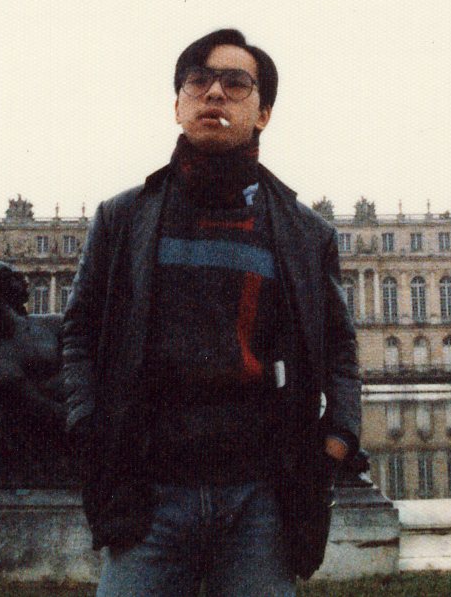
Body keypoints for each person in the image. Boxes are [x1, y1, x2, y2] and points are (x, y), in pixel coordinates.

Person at [62, 29, 361, 596]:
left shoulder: (305, 232)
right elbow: (78, 333)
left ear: (263, 113)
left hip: (261, 495)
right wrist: (87, 424)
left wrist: (340, 436)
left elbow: (339, 349)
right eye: (197, 81)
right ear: (177, 106)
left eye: (235, 83)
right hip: (147, 488)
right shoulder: (122, 218)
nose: (214, 93)